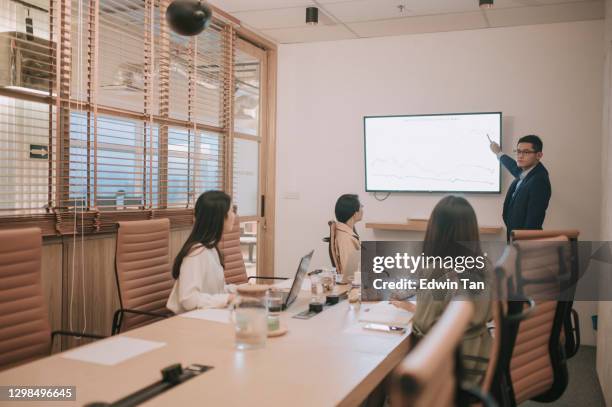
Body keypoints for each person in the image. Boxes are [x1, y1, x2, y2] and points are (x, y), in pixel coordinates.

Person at [393, 196, 493, 388]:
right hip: (480, 360)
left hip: (452, 371)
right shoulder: (484, 265)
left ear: (435, 231)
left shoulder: (438, 269)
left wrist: (411, 309)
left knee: (380, 378)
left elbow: (424, 328)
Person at [166, 190, 236, 314]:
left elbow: (214, 290)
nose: (234, 215)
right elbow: (189, 299)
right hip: (189, 323)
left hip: (207, 316)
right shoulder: (196, 253)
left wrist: (239, 291)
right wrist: (228, 298)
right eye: (231, 211)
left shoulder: (211, 247)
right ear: (220, 217)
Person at [488, 134, 551, 240]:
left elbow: (533, 222)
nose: (520, 156)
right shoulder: (525, 173)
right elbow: (513, 167)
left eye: (526, 152)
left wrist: (522, 246)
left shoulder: (539, 180)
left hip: (524, 243)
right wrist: (498, 153)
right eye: (518, 151)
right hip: (514, 237)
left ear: (539, 155)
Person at [333, 194, 363, 278]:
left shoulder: (344, 232)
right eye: (361, 206)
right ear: (354, 213)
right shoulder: (346, 239)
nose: (362, 209)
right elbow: (350, 273)